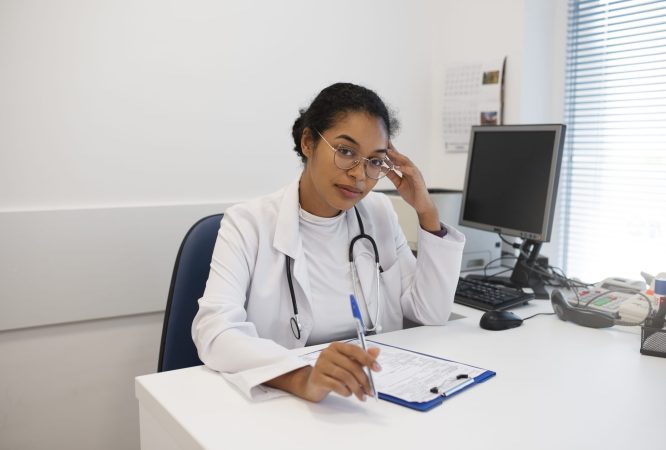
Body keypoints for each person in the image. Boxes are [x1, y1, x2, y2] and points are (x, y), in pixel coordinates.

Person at [192, 82, 465, 402]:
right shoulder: (248, 223)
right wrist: (303, 377)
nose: (360, 175)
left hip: (371, 394)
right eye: (346, 152)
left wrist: (426, 212)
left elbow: (430, 312)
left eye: (374, 161)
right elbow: (215, 330)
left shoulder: (379, 213)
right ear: (308, 142)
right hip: (283, 398)